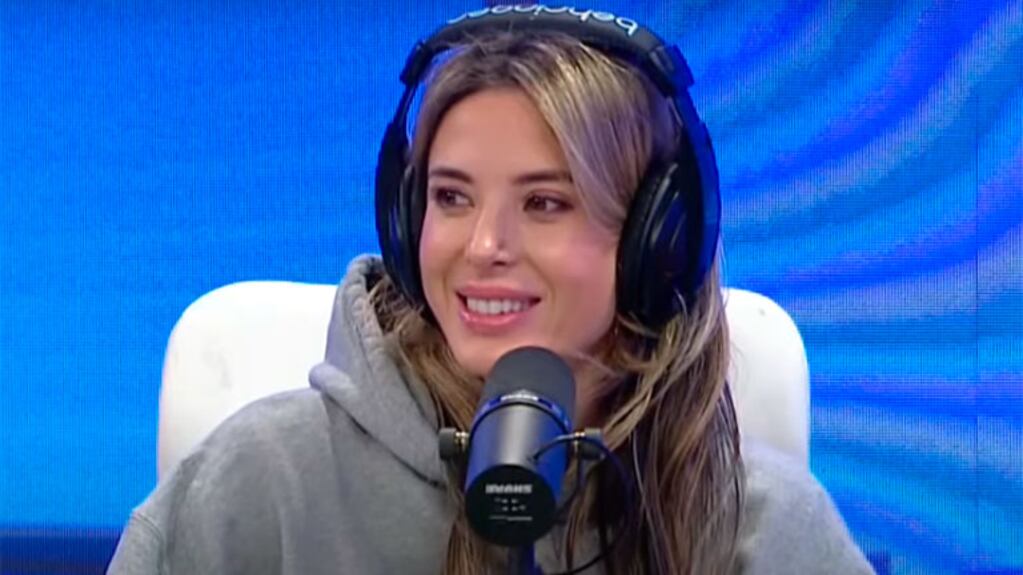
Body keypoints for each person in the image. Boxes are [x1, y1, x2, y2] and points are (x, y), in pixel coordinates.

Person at [107, 6, 875, 575]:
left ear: (657, 241)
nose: (482, 246)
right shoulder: (257, 485)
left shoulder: (762, 528)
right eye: (451, 197)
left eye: (544, 202)